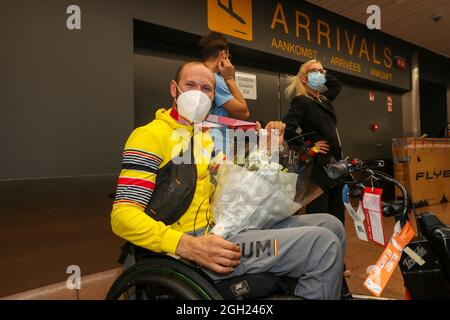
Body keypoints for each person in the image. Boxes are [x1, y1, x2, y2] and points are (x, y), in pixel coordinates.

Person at [111, 61, 346, 300]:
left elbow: (235, 185)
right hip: (187, 251)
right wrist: (186, 245)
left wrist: (267, 149)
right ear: (174, 89)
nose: (198, 94)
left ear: (214, 96)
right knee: (322, 244)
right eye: (190, 85)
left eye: (206, 89)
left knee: (331, 225)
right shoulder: (149, 136)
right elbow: (122, 217)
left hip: (221, 230)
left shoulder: (202, 138)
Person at [283, 59, 345, 225]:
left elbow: (337, 85)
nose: (320, 74)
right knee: (319, 214)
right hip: (318, 165)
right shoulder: (302, 101)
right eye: (314, 72)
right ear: (304, 78)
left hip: (335, 164)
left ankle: (334, 245)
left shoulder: (323, 99)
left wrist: (322, 72)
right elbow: (288, 129)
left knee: (336, 213)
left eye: (321, 71)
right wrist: (310, 147)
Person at [199, 32, 250, 157]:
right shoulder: (213, 78)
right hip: (215, 148)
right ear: (223, 55)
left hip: (199, 143)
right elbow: (244, 113)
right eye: (229, 56)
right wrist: (230, 79)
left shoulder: (194, 74)